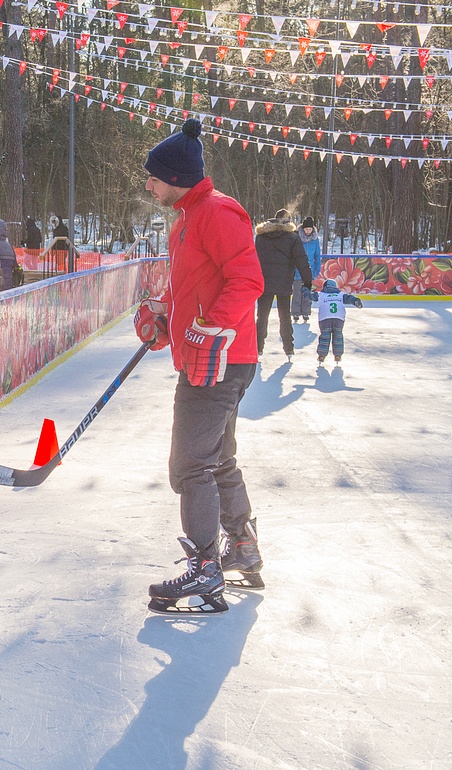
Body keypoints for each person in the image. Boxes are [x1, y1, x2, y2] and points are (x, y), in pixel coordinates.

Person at [136, 117, 265, 615]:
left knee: (189, 465)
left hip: (218, 362)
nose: (148, 185)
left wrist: (211, 326)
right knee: (215, 459)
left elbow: (248, 280)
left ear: (175, 177)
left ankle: (206, 571)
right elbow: (189, 286)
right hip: (205, 355)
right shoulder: (185, 221)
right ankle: (242, 546)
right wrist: (165, 312)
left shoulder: (216, 213)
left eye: (153, 176)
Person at [254, 209, 312, 361]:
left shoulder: (261, 237)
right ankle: (289, 348)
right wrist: (308, 281)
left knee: (262, 316)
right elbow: (302, 260)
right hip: (284, 283)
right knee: (284, 316)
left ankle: (257, 347)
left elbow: (253, 260)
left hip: (264, 283)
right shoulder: (292, 238)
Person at [309, 278, 363, 364]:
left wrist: (304, 290)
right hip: (338, 318)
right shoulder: (340, 295)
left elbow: (310, 295)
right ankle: (338, 355)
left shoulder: (321, 295)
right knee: (338, 336)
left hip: (325, 318)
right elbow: (350, 298)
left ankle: (322, 355)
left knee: (325, 336)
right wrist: (356, 301)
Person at [293, 217, 322, 323]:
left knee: (307, 293)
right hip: (298, 270)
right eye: (306, 229)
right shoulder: (297, 238)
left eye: (310, 229)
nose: (308, 231)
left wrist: (317, 270)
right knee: (297, 292)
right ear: (303, 229)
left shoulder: (315, 240)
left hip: (310, 270)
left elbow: (317, 256)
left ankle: (306, 312)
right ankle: (295, 313)